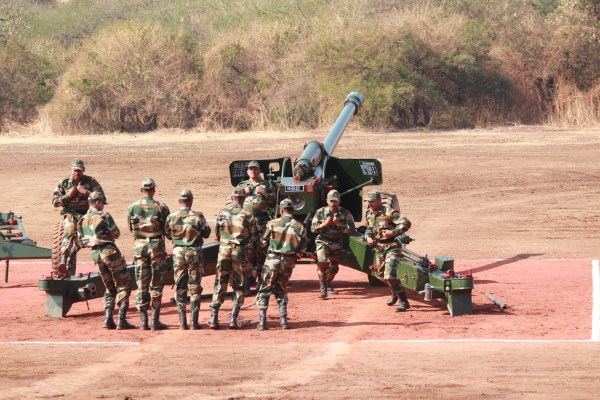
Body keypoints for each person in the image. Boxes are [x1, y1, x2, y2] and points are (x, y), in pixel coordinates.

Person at [77, 191, 134, 330]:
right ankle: (121, 320)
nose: (103, 205)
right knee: (124, 284)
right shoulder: (104, 216)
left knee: (109, 287)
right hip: (109, 252)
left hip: (96, 254)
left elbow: (80, 242)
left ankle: (108, 319)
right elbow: (116, 233)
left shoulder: (81, 220)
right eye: (102, 203)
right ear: (97, 202)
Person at [209, 188, 258, 330]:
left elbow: (217, 233)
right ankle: (233, 319)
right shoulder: (247, 214)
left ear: (232, 198)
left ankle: (214, 319)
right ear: (244, 198)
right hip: (239, 251)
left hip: (223, 250)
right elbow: (254, 236)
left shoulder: (222, 213)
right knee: (239, 285)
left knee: (220, 282)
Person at [257, 198, 307, 330]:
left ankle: (262, 322)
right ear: (293, 210)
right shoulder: (300, 227)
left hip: (272, 260)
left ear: (281, 210)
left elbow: (262, 242)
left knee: (265, 289)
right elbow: (303, 249)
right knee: (282, 289)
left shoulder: (272, 223)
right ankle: (283, 320)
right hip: (288, 261)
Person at [127, 178, 171, 330]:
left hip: (139, 246)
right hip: (156, 245)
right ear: (153, 190)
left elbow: (131, 228)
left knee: (141, 283)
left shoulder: (132, 207)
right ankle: (155, 320)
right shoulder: (161, 207)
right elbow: (167, 230)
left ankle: (143, 321)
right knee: (157, 283)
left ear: (141, 190)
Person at [165, 189, 211, 330]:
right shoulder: (198, 216)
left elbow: (167, 234)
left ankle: (182, 322)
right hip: (194, 252)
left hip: (178, 252)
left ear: (180, 201)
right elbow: (207, 233)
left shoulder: (171, 217)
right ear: (191, 201)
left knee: (180, 285)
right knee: (195, 286)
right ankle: (194, 322)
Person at [52, 159, 104, 278]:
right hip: (71, 213)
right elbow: (55, 202)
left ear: (83, 171)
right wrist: (68, 196)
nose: (77, 173)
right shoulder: (64, 183)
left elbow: (102, 199)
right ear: (71, 170)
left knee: (98, 233)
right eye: (75, 170)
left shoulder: (91, 181)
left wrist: (87, 193)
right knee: (69, 230)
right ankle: (63, 259)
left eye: (79, 171)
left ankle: (103, 262)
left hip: (88, 214)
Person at [364, 190, 412, 311]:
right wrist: (368, 237)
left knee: (390, 275)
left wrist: (393, 232)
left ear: (379, 200)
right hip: (379, 248)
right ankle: (394, 292)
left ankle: (403, 300)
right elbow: (369, 229)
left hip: (392, 246)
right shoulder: (369, 213)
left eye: (372, 201)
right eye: (368, 201)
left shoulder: (389, 212)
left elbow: (406, 223)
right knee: (381, 276)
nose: (370, 204)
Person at [235, 160, 275, 291]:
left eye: (255, 169)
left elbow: (274, 202)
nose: (253, 171)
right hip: (246, 223)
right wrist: (243, 193)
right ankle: (247, 280)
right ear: (248, 171)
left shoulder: (266, 184)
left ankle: (261, 280)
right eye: (251, 169)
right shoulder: (242, 185)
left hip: (262, 222)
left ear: (259, 171)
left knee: (262, 250)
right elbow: (232, 201)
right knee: (247, 251)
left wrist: (265, 193)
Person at [310, 190, 356, 299]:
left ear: (339, 201)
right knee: (322, 262)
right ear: (327, 201)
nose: (333, 203)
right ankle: (323, 289)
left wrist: (339, 224)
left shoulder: (345, 213)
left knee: (334, 268)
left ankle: (326, 284)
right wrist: (324, 225)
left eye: (335, 201)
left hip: (337, 243)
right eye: (331, 201)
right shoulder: (320, 212)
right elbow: (313, 229)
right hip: (323, 241)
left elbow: (352, 231)